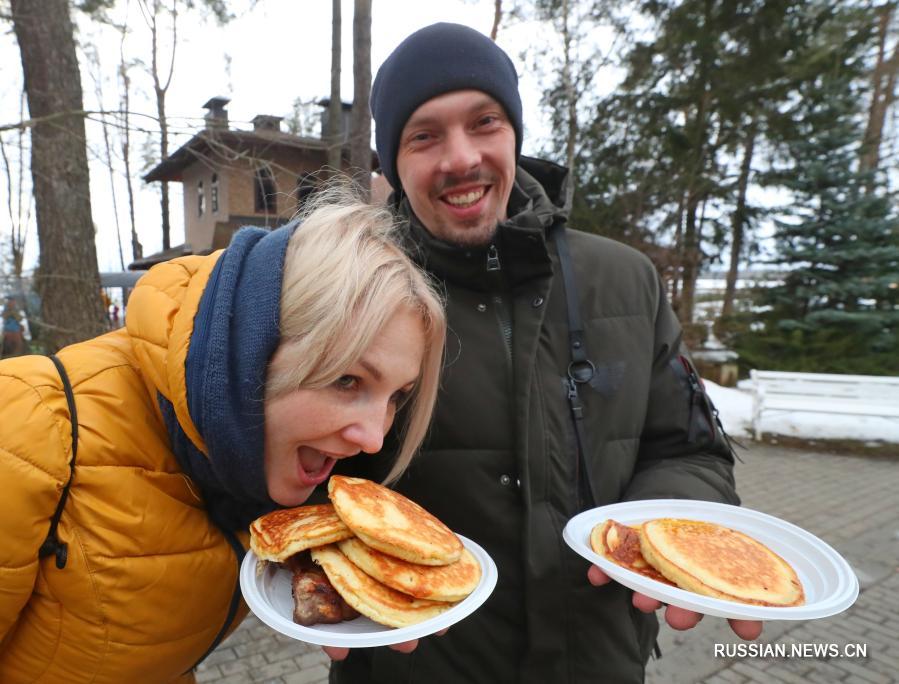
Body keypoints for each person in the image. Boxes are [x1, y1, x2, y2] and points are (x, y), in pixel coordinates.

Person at [328, 23, 757, 684]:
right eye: (424, 135)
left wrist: (659, 537)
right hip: (411, 661)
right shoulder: (347, 295)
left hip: (598, 660)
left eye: (484, 122)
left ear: (514, 134)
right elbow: (294, 473)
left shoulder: (625, 280)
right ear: (390, 162)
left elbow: (689, 450)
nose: (460, 158)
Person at [0, 195, 446, 683]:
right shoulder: (29, 425)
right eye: (347, 380)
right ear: (251, 350)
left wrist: (336, 580)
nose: (373, 438)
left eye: (397, 397)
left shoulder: (253, 464)